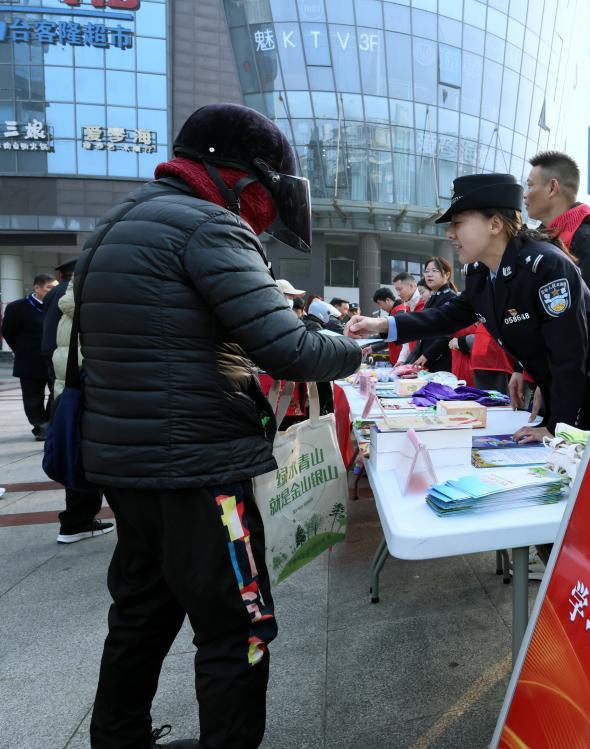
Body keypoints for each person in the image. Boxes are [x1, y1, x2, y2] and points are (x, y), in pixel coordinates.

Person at [76, 103, 361, 749]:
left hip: (127, 464)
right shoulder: (209, 226)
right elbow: (288, 348)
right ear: (242, 178)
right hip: (202, 470)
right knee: (240, 627)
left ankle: (118, 739)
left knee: (141, 614)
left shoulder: (120, 222)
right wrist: (353, 348)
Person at [345, 173, 590, 444]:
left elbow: (569, 353)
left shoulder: (545, 266)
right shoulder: (481, 274)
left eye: (458, 223)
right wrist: (382, 325)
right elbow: (447, 316)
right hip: (568, 392)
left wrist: (557, 427)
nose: (450, 234)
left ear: (495, 224)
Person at [41, 258, 115, 543]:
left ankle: (76, 520)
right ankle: (80, 520)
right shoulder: (106, 293)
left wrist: (57, 381)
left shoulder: (61, 294)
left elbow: (48, 342)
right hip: (96, 383)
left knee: (76, 450)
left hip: (68, 381)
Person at [525, 151, 590, 327]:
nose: (525, 194)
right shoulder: (540, 238)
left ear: (552, 187)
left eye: (530, 186)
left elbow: (588, 318)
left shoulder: (586, 240)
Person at [2, 273, 58, 440]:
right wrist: (21, 350)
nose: (53, 291)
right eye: (49, 288)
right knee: (33, 399)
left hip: (54, 360)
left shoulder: (58, 305)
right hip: (29, 361)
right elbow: (8, 332)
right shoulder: (17, 308)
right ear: (37, 288)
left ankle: (51, 424)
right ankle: (41, 427)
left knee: (57, 394)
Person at [402, 257, 459, 372]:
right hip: (426, 361)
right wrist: (409, 361)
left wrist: (427, 355)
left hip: (441, 361)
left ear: (447, 275)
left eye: (434, 271)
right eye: (427, 271)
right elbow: (422, 334)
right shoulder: (433, 298)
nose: (429, 274)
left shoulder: (451, 298)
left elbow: (447, 334)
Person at [373, 287, 407, 363]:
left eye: (380, 304)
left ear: (388, 300)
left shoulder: (400, 312)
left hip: (401, 360)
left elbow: (391, 336)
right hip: (397, 358)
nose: (381, 308)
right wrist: (372, 347)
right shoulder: (394, 312)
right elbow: (388, 338)